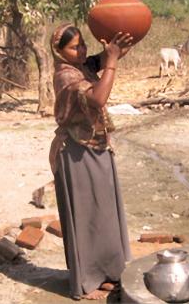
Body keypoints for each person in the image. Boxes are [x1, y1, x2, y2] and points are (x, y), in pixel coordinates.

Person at [48, 23, 133, 300]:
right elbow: (97, 98)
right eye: (75, 47)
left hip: (94, 146)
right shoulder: (66, 75)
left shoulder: (83, 66)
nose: (82, 50)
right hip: (76, 152)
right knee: (87, 217)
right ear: (59, 52)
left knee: (104, 213)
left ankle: (107, 272)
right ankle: (88, 278)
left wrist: (118, 48)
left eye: (83, 44)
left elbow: (109, 54)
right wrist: (111, 63)